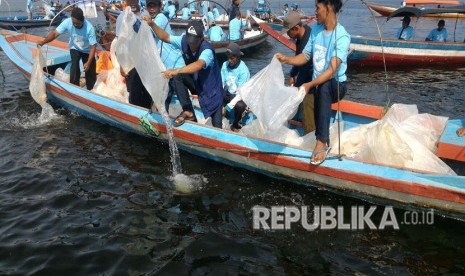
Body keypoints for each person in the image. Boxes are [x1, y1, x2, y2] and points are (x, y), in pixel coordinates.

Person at [276, 0, 350, 165]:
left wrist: (309, 84)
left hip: (337, 85)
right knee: (318, 92)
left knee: (323, 87)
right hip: (319, 85)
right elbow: (306, 56)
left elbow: (331, 71)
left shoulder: (342, 36)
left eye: (317, 8)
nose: (314, 12)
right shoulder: (316, 30)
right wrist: (287, 59)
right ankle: (323, 139)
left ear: (328, 7)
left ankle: (321, 141)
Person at [143, 19, 224, 128]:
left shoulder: (207, 50)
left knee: (217, 125)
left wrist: (176, 70)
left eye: (194, 42)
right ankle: (189, 112)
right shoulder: (183, 40)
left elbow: (199, 64)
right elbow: (165, 37)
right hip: (196, 83)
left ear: (201, 38)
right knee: (177, 77)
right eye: (189, 41)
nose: (191, 45)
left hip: (211, 90)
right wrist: (152, 24)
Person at [145, 0, 197, 124]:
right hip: (166, 68)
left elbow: (150, 30)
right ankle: (163, 121)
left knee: (179, 94)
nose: (152, 9)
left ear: (160, 6)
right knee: (166, 96)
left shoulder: (161, 18)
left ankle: (191, 119)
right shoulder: (152, 19)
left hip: (176, 66)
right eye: (149, 6)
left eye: (155, 5)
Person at [38, 7, 97, 90]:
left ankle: (91, 90)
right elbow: (55, 34)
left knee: (90, 70)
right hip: (75, 48)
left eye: (78, 23)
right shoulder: (67, 22)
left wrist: (88, 62)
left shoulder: (89, 28)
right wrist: (43, 42)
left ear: (82, 20)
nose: (75, 25)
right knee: (75, 65)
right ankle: (74, 88)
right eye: (74, 23)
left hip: (87, 50)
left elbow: (93, 47)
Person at [282, 11, 315, 135]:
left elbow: (306, 68)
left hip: (312, 85)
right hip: (305, 81)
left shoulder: (308, 40)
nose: (289, 35)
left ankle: (310, 143)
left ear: (296, 28)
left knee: (308, 118)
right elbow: (298, 58)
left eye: (289, 32)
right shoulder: (301, 36)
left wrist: (296, 88)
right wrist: (292, 74)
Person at [115, 0, 152, 108]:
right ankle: (136, 117)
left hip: (145, 60)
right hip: (130, 62)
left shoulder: (145, 14)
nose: (132, 2)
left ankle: (148, 114)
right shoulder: (121, 17)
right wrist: (121, 65)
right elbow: (119, 43)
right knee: (133, 92)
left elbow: (150, 39)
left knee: (147, 91)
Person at [221, 43, 250, 132]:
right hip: (228, 93)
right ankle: (220, 118)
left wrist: (227, 107)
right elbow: (221, 83)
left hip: (240, 96)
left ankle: (236, 124)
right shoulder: (225, 65)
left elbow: (240, 94)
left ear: (238, 57)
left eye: (232, 58)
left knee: (240, 106)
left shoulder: (243, 71)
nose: (230, 60)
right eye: (228, 58)